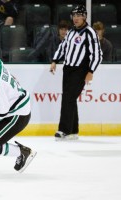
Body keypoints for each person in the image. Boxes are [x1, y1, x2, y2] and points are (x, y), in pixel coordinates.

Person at [49, 5, 103, 141]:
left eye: (79, 15)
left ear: (85, 17)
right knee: (70, 99)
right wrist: (55, 60)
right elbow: (63, 46)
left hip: (81, 70)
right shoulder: (71, 31)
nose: (76, 18)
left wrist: (91, 71)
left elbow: (98, 54)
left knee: (68, 98)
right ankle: (73, 131)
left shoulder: (90, 32)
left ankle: (64, 130)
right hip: (68, 69)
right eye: (74, 16)